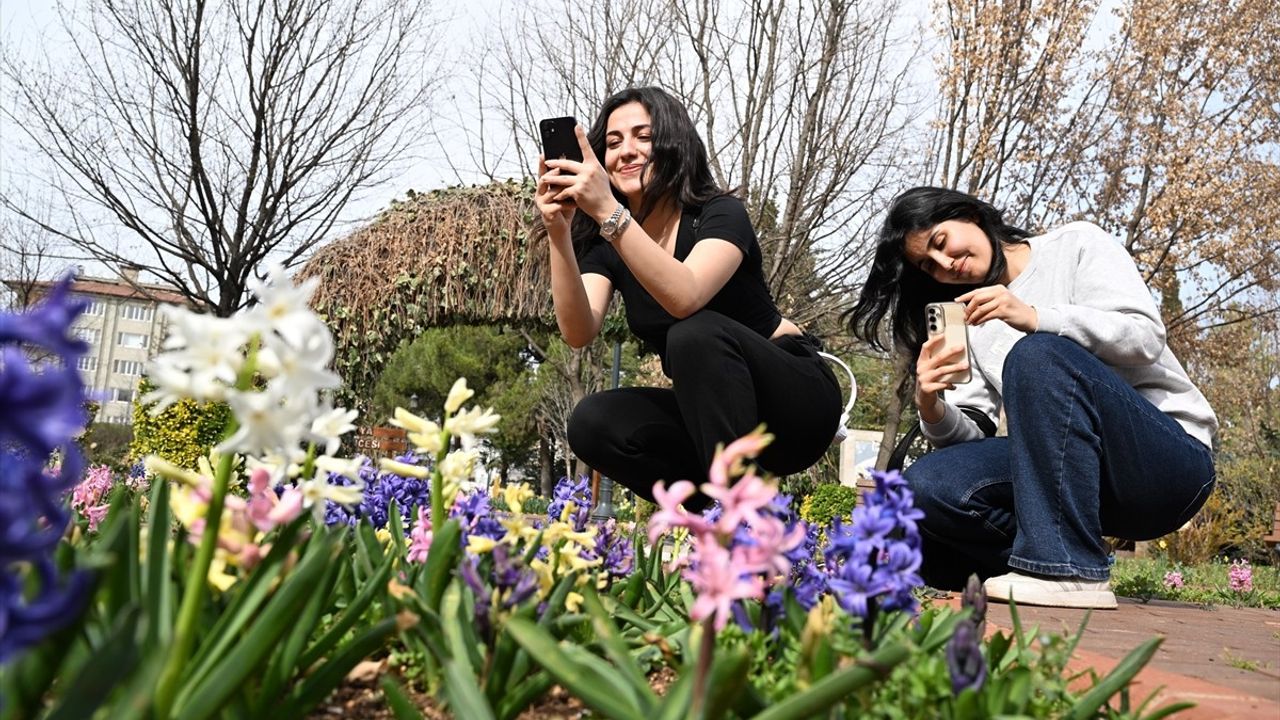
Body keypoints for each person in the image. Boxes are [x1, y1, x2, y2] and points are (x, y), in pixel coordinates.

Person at [847, 186, 1217, 609]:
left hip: (1166, 464)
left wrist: (1035, 317)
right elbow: (974, 439)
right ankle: (1050, 561)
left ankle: (1067, 568)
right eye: (929, 266)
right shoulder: (970, 320)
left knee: (1038, 353)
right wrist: (931, 405)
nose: (947, 265)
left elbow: (1144, 337)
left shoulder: (1076, 243)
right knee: (925, 486)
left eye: (942, 243)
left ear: (967, 214)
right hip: (1068, 484)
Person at [534, 86, 841, 505]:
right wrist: (559, 233)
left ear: (674, 142)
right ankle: (707, 519)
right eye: (612, 142)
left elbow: (685, 296)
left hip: (794, 401)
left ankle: (743, 530)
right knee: (593, 421)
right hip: (712, 419)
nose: (626, 151)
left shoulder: (717, 213)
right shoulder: (608, 243)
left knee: (692, 333)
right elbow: (578, 329)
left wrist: (608, 211)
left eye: (643, 136)